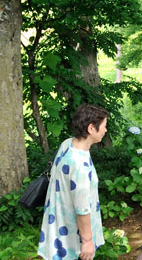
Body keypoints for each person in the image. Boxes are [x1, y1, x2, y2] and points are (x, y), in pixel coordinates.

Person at [38, 104, 109, 260]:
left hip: (58, 228)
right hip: (71, 238)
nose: (105, 130)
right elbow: (82, 208)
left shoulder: (68, 144)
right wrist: (87, 241)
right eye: (104, 126)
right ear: (91, 128)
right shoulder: (78, 164)